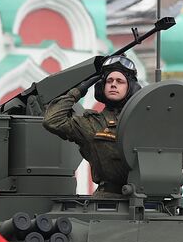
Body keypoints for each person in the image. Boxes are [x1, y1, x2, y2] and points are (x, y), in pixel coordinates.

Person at [42, 54, 139, 197]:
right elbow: (52, 120)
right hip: (108, 199)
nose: (113, 84)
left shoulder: (141, 121)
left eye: (120, 81)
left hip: (146, 198)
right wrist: (79, 90)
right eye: (109, 81)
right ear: (101, 87)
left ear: (132, 88)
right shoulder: (91, 123)